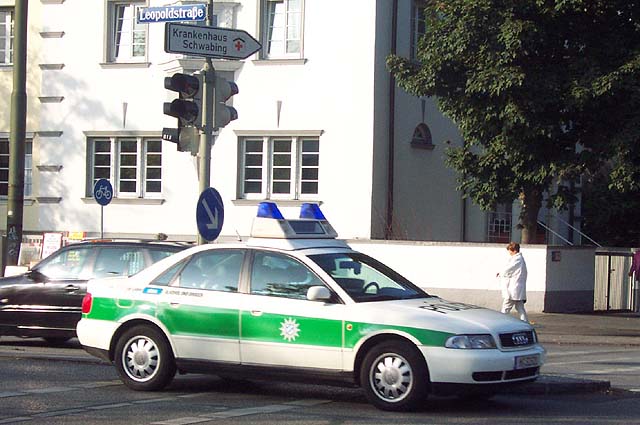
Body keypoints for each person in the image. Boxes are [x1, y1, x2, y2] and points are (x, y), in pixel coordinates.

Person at [496, 242, 529, 323]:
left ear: (514, 250)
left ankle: (501, 322)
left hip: (513, 288)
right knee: (519, 307)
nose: (509, 253)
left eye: (510, 251)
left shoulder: (517, 259)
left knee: (506, 306)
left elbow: (509, 268)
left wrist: (501, 273)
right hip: (516, 287)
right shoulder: (518, 258)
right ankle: (525, 322)